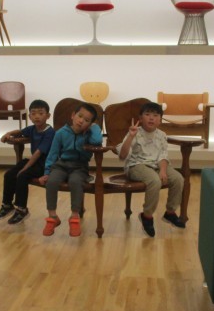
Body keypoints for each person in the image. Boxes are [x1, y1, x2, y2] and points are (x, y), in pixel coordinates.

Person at [116, 101, 185, 238]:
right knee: (154, 181)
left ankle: (170, 212)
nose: (151, 118)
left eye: (155, 115)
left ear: (160, 120)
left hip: (156, 165)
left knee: (178, 178)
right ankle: (147, 216)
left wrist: (163, 170)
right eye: (147, 114)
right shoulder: (134, 132)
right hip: (136, 165)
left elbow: (163, 156)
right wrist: (130, 136)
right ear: (140, 118)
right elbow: (123, 156)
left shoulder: (162, 134)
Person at [39, 102, 102, 237]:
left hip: (80, 167)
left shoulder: (88, 134)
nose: (81, 121)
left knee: (75, 182)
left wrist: (95, 127)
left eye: (87, 120)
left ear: (90, 124)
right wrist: (47, 172)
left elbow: (97, 141)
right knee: (52, 182)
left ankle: (74, 217)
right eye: (80, 116)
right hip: (61, 165)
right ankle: (52, 216)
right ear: (73, 115)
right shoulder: (61, 133)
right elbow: (53, 154)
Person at [0, 99, 55, 224]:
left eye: (41, 113)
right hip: (34, 162)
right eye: (33, 113)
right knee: (9, 174)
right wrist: (8, 133)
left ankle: (22, 209)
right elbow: (20, 132)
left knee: (22, 175)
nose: (37, 116)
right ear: (30, 116)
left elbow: (38, 153)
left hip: (45, 164)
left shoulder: (50, 132)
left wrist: (25, 168)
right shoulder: (32, 128)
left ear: (48, 116)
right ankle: (7, 205)